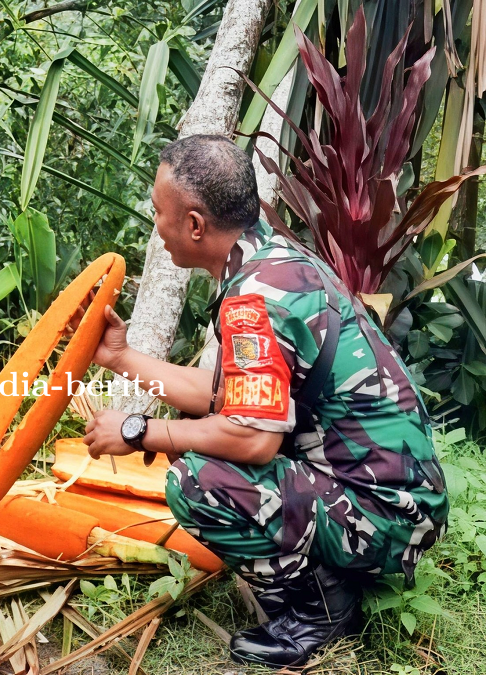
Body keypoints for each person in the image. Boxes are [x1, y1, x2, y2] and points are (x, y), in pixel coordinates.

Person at [83, 135, 448, 668]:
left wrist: (139, 431)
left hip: (389, 512)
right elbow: (226, 396)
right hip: (390, 492)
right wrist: (120, 358)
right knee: (199, 432)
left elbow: (252, 438)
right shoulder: (270, 261)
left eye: (159, 211)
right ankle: (332, 570)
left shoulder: (254, 299)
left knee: (198, 481)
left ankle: (321, 612)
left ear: (194, 224)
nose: (154, 223)